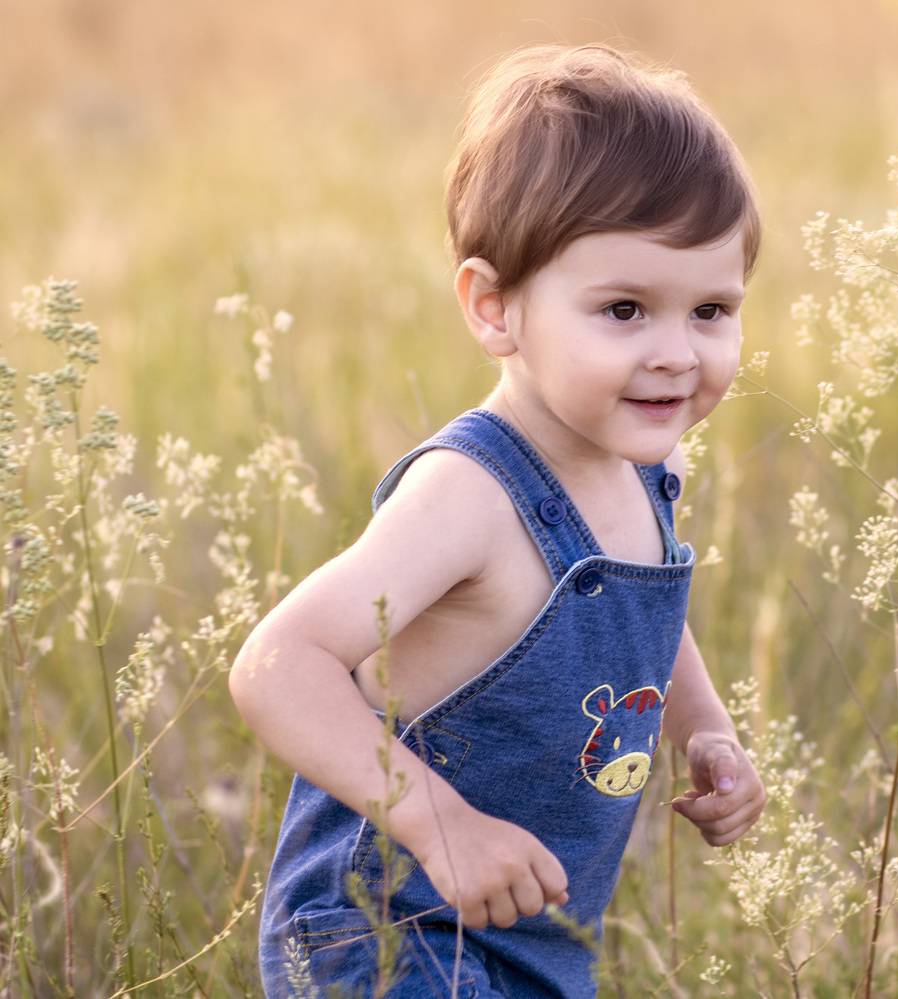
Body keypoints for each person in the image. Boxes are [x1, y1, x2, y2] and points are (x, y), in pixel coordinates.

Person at [229, 41, 767, 998]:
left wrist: (705, 728)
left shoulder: (649, 467)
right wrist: (441, 824)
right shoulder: (468, 495)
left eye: (711, 310)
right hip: (382, 928)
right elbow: (277, 664)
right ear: (494, 308)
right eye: (625, 309)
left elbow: (641, 614)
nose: (678, 354)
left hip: (527, 931)